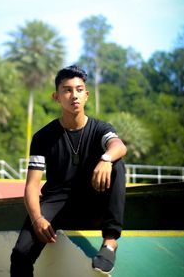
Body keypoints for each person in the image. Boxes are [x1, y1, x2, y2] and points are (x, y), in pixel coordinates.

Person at [10, 65, 127, 276]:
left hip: (92, 202)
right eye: (67, 90)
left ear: (87, 95)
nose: (74, 95)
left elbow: (119, 146)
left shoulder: (101, 128)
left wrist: (106, 158)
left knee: (117, 163)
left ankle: (110, 242)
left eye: (79, 89)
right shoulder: (43, 137)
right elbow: (32, 185)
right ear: (56, 96)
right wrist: (37, 219)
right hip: (55, 202)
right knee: (20, 253)